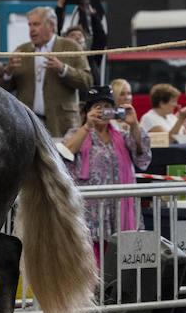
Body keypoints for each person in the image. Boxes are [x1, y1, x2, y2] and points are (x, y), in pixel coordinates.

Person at [62, 85, 151, 254]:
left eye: (107, 107)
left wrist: (134, 125)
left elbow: (142, 154)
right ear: (87, 111)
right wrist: (88, 126)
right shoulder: (75, 133)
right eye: (97, 108)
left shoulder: (123, 136)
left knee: (121, 256)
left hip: (120, 209)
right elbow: (67, 152)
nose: (103, 112)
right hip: (91, 211)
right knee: (91, 257)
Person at [0, 6, 92, 136]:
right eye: (30, 25)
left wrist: (63, 69)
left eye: (36, 24)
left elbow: (87, 81)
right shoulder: (21, 50)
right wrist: (8, 71)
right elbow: (3, 89)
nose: (32, 29)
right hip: (28, 124)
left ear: (51, 25)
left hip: (62, 124)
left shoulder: (70, 46)